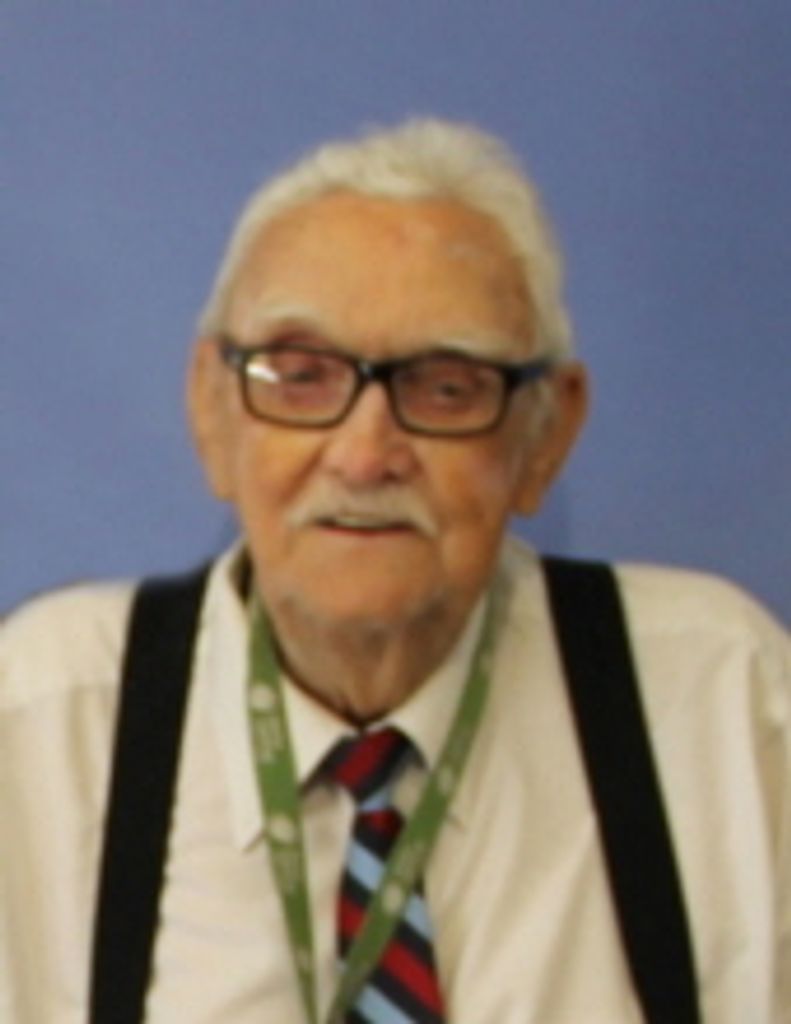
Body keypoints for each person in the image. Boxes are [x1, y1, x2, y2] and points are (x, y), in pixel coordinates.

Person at [1, 118, 788, 1024]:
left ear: (545, 435)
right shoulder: (41, 736)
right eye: (301, 376)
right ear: (212, 412)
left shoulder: (723, 709)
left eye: (445, 387)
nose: (365, 455)